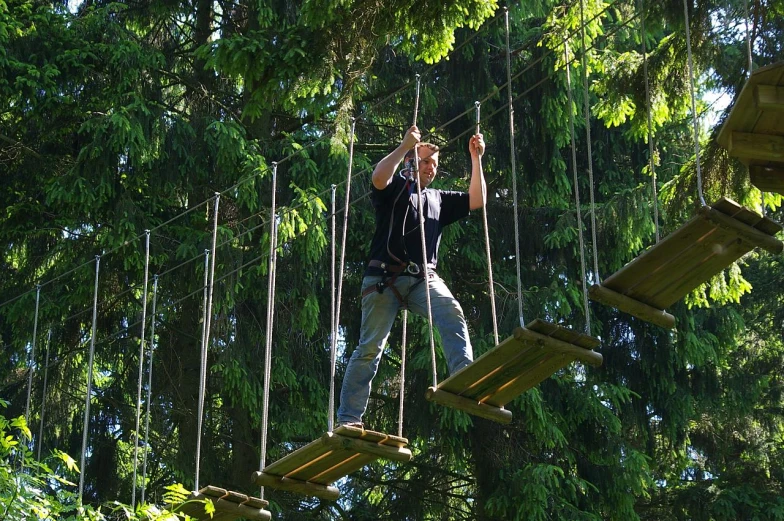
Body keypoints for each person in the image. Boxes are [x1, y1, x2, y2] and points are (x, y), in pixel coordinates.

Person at [337, 125, 487, 429]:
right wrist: (405, 146)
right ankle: (349, 419)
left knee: (451, 310)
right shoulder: (394, 189)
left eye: (434, 163)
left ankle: (464, 374)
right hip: (383, 279)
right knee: (370, 348)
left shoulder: (439, 199)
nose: (431, 168)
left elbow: (476, 199)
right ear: (410, 162)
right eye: (425, 161)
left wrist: (476, 158)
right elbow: (378, 177)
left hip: (422, 279)